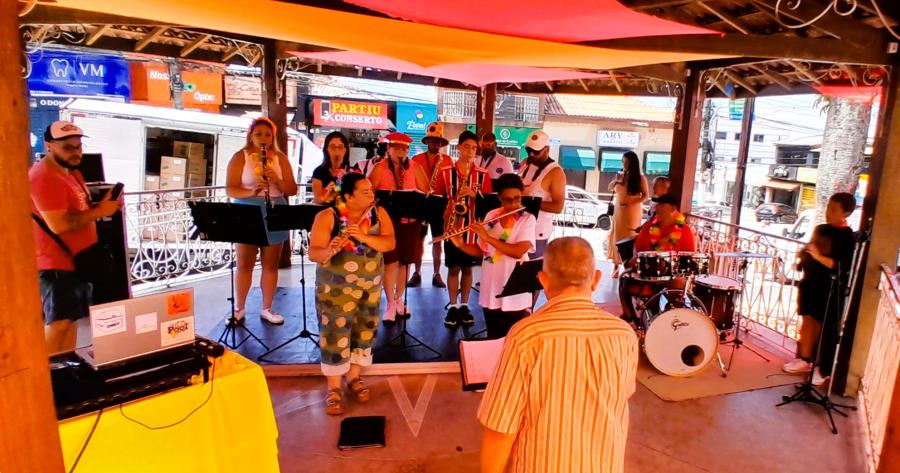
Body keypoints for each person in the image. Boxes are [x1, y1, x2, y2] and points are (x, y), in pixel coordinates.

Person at [478, 237, 638, 473]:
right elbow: (622, 395)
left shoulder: (526, 336)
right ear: (595, 280)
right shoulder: (624, 335)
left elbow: (501, 429)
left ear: (543, 280)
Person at [30, 121, 121, 354]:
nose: (76, 152)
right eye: (68, 147)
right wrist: (101, 212)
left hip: (77, 260)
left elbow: (78, 211)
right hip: (56, 263)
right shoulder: (44, 177)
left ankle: (64, 372)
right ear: (48, 146)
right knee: (58, 324)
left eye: (78, 146)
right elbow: (59, 224)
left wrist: (102, 206)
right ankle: (48, 379)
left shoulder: (72, 173)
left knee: (69, 321)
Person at [309, 172, 395, 415]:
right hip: (335, 291)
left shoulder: (378, 214)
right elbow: (314, 253)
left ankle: (354, 378)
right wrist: (329, 248)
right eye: (365, 192)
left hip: (370, 287)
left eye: (371, 191)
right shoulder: (328, 216)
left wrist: (363, 236)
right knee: (335, 334)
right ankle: (334, 388)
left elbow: (389, 243)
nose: (372, 195)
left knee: (364, 331)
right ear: (348, 196)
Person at [225, 117, 298, 325]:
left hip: (275, 208)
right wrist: (250, 191)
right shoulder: (241, 157)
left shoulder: (280, 158)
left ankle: (267, 308)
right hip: (247, 209)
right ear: (251, 135)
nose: (263, 138)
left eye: (267, 134)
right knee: (244, 263)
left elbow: (292, 189)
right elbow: (230, 188)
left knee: (270, 263)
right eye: (258, 134)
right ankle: (239, 308)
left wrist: (276, 180)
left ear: (272, 136)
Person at [782, 192, 856, 387]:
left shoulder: (848, 238)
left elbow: (841, 266)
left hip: (829, 287)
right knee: (808, 321)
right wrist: (805, 254)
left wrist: (817, 255)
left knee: (825, 328)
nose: (828, 212)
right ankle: (804, 360)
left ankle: (821, 368)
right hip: (810, 282)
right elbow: (812, 249)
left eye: (833, 209)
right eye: (828, 207)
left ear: (846, 213)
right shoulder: (820, 229)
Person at [450, 173, 534, 338]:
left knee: (513, 341)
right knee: (493, 337)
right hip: (491, 286)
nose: (514, 204)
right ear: (500, 198)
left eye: (517, 198)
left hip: (514, 289)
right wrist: (460, 244)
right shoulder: (492, 216)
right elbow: (484, 252)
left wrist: (488, 237)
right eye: (508, 200)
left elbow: (518, 251)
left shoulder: (527, 219)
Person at [434, 130, 493, 327]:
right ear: (459, 147)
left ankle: (465, 304)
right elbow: (438, 201)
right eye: (466, 146)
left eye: (474, 148)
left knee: (468, 269)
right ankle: (452, 306)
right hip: (452, 227)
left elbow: (490, 207)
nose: (470, 151)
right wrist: (448, 208)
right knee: (453, 269)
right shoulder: (445, 173)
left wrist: (475, 196)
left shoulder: (483, 176)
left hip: (472, 230)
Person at [369, 132, 429, 323]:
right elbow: (370, 193)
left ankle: (398, 300)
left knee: (405, 262)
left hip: (411, 221)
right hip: (388, 223)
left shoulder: (416, 168)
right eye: (396, 148)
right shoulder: (379, 168)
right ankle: (389, 304)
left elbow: (426, 192)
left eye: (404, 148)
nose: (400, 152)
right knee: (390, 263)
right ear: (389, 149)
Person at [618, 194, 696, 324]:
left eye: (661, 206)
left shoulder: (685, 230)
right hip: (649, 270)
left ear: (672, 210)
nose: (658, 208)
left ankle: (673, 318)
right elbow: (638, 248)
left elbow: (689, 257)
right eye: (658, 205)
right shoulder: (650, 226)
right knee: (624, 278)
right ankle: (629, 316)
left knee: (677, 285)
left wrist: (675, 265)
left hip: (672, 273)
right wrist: (635, 258)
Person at [408, 122, 453, 289]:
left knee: (437, 240)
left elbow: (450, 183)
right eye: (433, 141)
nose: (436, 144)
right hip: (421, 202)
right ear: (427, 141)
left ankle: (436, 274)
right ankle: (417, 273)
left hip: (439, 202)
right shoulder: (416, 160)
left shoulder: (447, 160)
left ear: (442, 143)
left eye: (439, 141)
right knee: (418, 241)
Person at [517, 130, 566, 259]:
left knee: (530, 271)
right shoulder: (525, 163)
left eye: (536, 151)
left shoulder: (556, 172)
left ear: (547, 149)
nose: (531, 154)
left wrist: (528, 203)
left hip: (537, 231)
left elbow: (558, 207)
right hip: (518, 224)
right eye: (528, 150)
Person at [607, 151, 650, 279]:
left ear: (633, 163)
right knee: (616, 236)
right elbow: (609, 188)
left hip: (632, 210)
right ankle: (616, 265)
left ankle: (629, 266)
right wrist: (617, 180)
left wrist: (632, 203)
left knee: (629, 237)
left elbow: (646, 195)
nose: (624, 164)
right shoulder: (620, 175)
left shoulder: (640, 178)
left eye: (627, 162)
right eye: (623, 162)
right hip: (619, 210)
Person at [311, 131, 351, 205]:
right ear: (326, 149)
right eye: (333, 146)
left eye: (340, 146)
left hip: (345, 212)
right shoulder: (319, 171)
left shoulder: (352, 172)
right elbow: (317, 199)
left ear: (346, 149)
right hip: (325, 211)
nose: (336, 150)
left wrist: (346, 180)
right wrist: (326, 193)